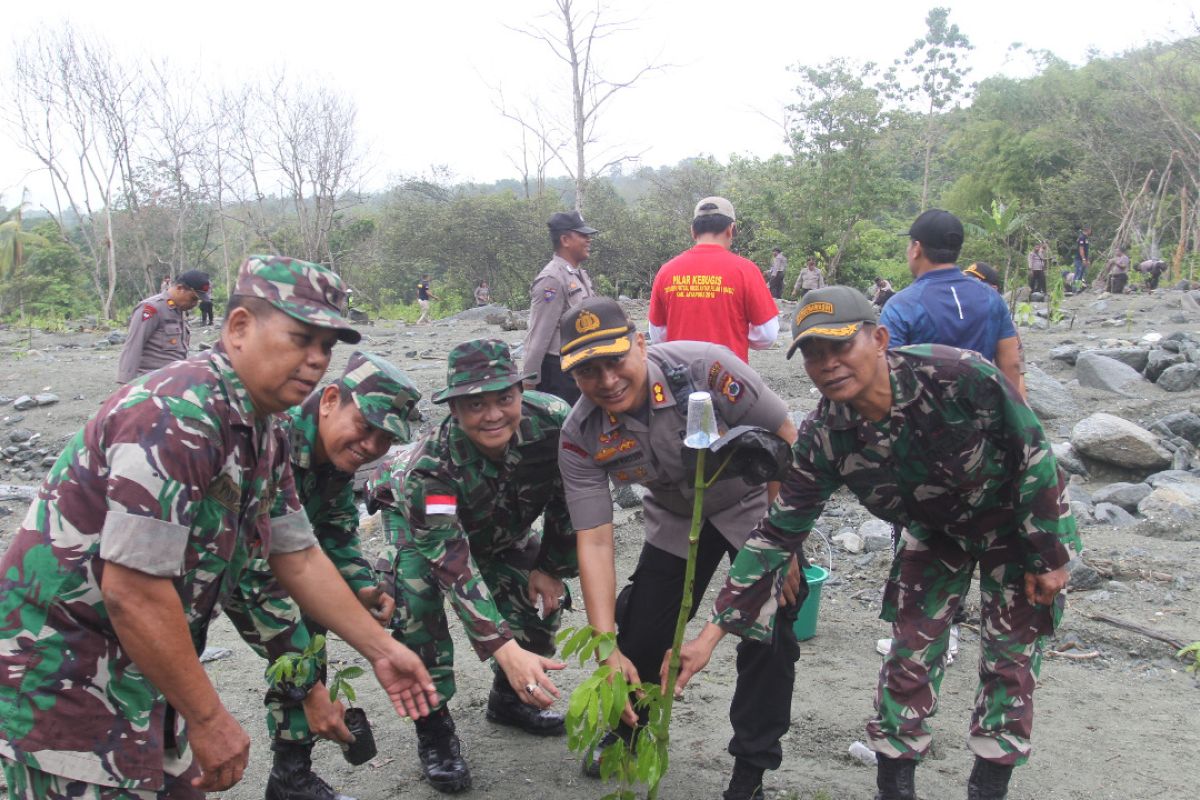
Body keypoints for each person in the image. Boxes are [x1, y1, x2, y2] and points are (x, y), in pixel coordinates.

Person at [0, 255, 438, 800]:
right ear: (238, 328)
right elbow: (133, 590)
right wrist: (209, 717)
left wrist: (381, 649)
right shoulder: (178, 414)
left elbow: (297, 554)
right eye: (300, 338)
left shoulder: (262, 430)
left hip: (143, 670)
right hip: (63, 677)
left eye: (326, 347)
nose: (315, 360)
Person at [671, 286, 1080, 800]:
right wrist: (706, 639)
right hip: (935, 535)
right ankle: (896, 788)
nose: (828, 364)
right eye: (814, 354)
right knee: (908, 655)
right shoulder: (825, 434)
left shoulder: (956, 375)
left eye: (840, 347)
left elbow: (1033, 453)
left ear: (880, 339)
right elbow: (776, 536)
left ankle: (988, 789)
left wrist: (1050, 556)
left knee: (1010, 661)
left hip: (1015, 527)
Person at [557, 297, 800, 800]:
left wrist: (785, 543)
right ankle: (627, 729)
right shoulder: (581, 434)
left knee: (770, 627)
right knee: (642, 627)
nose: (606, 381)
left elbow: (786, 438)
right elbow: (597, 541)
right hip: (672, 515)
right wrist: (606, 649)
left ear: (641, 343)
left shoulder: (707, 369)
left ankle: (749, 771)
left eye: (615, 361)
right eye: (587, 371)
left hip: (747, 506)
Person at [367, 339, 577, 794]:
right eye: (475, 404)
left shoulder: (554, 422)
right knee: (415, 602)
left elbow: (571, 495)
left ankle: (508, 700)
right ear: (454, 409)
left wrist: (551, 566)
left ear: (521, 392)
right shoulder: (432, 468)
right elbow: (454, 564)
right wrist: (502, 645)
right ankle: (434, 728)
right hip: (422, 530)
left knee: (539, 602)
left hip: (499, 529)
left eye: (505, 398)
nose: (493, 414)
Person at [241, 350, 421, 800]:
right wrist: (309, 688)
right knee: (297, 650)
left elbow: (336, 529)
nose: (372, 446)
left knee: (310, 636)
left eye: (386, 438)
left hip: (265, 561)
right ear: (330, 400)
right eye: (365, 427)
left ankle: (290, 779)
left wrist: (362, 586)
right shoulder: (272, 441)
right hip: (195, 569)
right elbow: (254, 576)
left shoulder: (335, 455)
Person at [880, 209, 1023, 393]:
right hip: (984, 414)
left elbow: (886, 374)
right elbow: (1011, 364)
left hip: (924, 418)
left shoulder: (901, 305)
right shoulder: (991, 297)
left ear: (916, 249)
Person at [648, 197, 780, 363]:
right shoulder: (746, 270)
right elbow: (767, 335)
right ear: (731, 229)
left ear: (693, 231)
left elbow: (657, 336)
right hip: (730, 380)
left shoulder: (666, 271)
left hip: (680, 382)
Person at [521, 210, 598, 404]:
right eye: (582, 235)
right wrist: (529, 383)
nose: (588, 239)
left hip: (580, 365)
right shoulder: (552, 279)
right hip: (559, 373)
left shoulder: (577, 275)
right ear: (565, 240)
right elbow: (539, 334)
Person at [116, 269, 211, 383]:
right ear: (180, 288)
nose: (195, 304)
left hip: (171, 384)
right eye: (193, 298)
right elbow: (133, 346)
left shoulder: (179, 311)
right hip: (149, 384)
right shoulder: (152, 308)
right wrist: (126, 384)